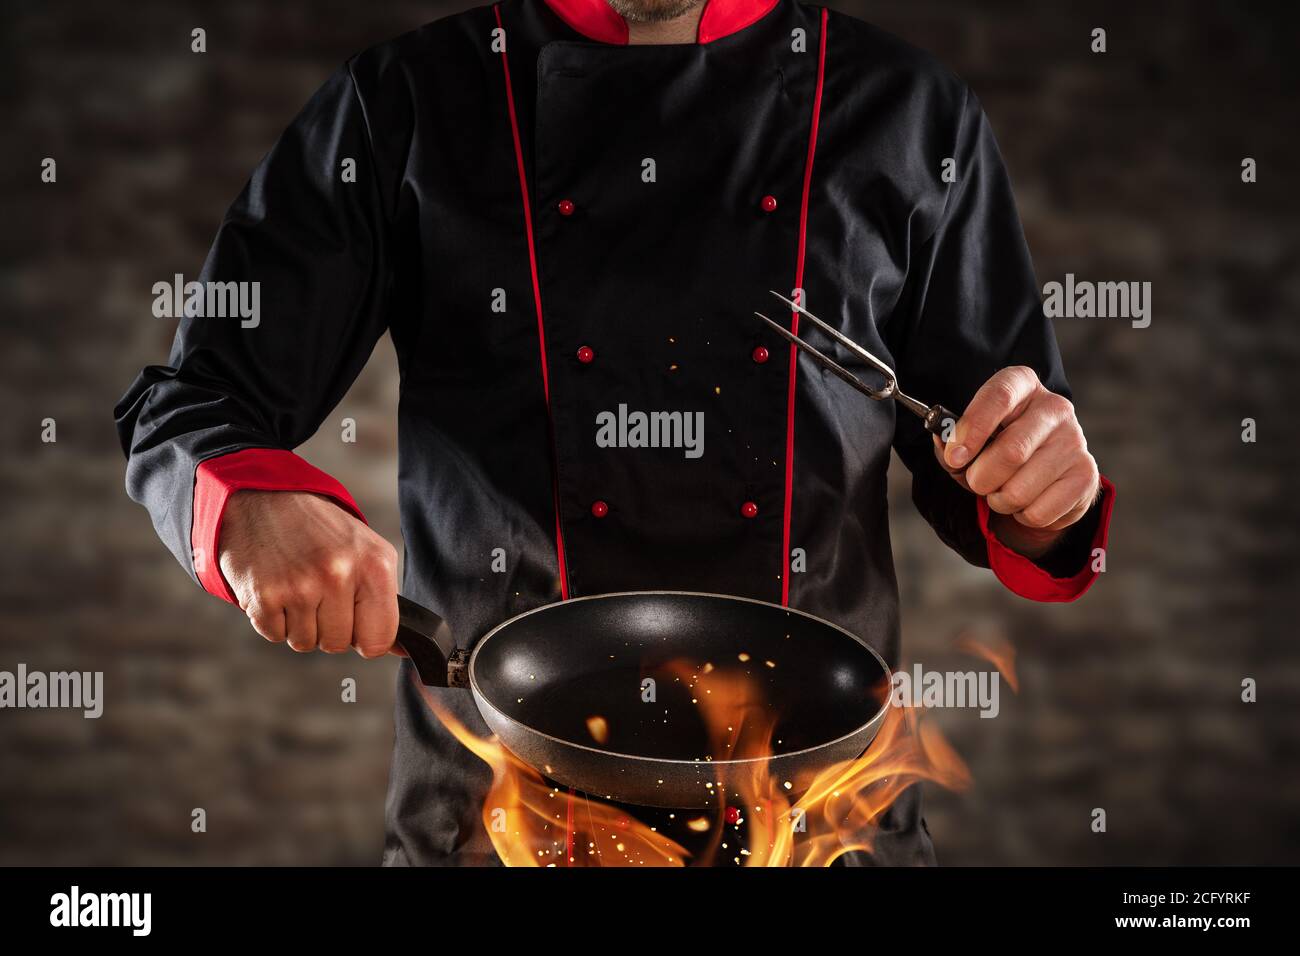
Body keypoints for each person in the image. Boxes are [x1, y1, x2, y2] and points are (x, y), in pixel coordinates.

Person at [116, 0, 1115, 865]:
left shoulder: (912, 113)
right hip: (494, 817)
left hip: (826, 821)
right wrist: (246, 499)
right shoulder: (405, 102)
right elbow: (191, 405)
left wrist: (1044, 491)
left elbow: (1007, 474)